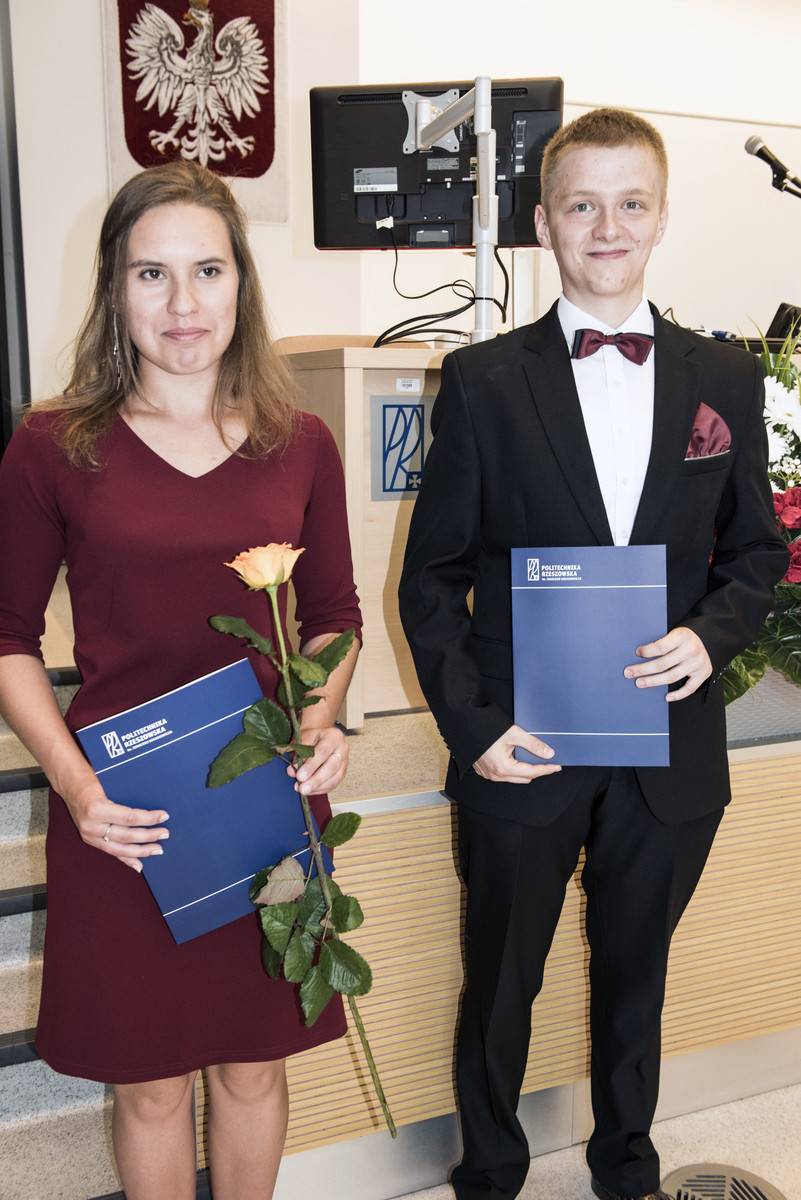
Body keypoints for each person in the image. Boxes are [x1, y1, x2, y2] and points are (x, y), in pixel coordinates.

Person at [398, 108, 789, 1200]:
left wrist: (711, 636)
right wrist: (474, 729)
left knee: (636, 977)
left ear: (660, 217)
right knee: (500, 983)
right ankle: (491, 1173)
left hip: (669, 742)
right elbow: (430, 580)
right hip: (523, 738)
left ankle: (627, 1168)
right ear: (543, 224)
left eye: (629, 203)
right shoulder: (482, 380)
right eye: (581, 205)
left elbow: (756, 550)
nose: (606, 226)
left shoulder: (725, 376)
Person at [0, 160, 361, 1200]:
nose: (183, 303)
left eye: (207, 270)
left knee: (253, 1066)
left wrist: (320, 721)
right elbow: (7, 637)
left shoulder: (302, 444)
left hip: (263, 803)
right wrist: (76, 790)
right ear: (115, 290)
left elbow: (335, 618)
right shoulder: (53, 446)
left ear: (241, 280)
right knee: (150, 1085)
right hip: (123, 812)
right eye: (150, 274)